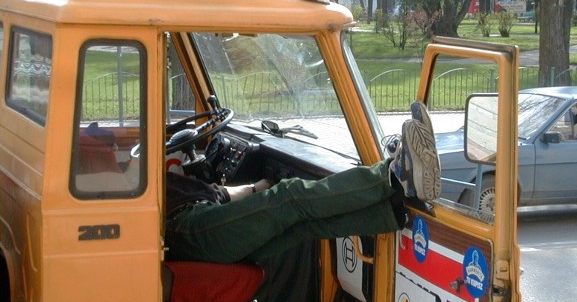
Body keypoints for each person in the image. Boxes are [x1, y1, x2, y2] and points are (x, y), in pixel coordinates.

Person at [164, 101, 441, 264]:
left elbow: (219, 195)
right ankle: (392, 176)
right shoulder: (129, 184)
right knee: (290, 195)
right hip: (187, 230)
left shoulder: (150, 178)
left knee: (304, 225)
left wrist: (256, 188)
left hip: (201, 216)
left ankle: (392, 209)